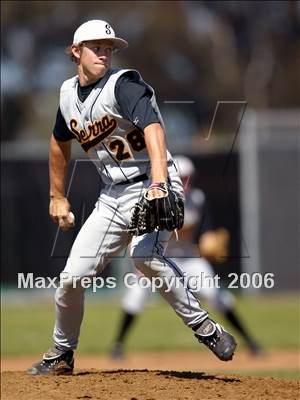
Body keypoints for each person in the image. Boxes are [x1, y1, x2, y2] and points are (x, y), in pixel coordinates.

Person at [27, 20, 236, 375]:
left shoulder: (123, 84)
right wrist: (56, 195)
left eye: (109, 47)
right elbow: (59, 142)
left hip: (152, 182)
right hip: (112, 196)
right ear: (76, 51)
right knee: (71, 278)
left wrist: (159, 183)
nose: (105, 52)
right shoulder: (65, 96)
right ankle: (62, 352)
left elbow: (153, 128)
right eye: (97, 46)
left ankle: (205, 327)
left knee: (144, 259)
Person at [110, 156, 263, 359]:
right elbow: (136, 232)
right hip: (156, 258)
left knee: (217, 295)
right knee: (135, 297)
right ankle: (117, 346)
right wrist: (137, 264)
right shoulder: (155, 198)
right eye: (181, 177)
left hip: (189, 258)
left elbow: (206, 233)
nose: (184, 181)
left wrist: (210, 243)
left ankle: (250, 342)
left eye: (188, 177)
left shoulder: (197, 199)